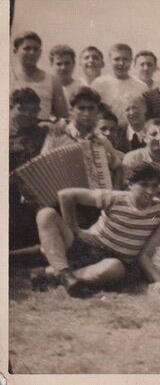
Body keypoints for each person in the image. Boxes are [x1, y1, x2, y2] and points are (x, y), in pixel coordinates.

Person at [34, 163, 160, 297]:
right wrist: (75, 229)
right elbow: (66, 195)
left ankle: (56, 276)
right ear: (130, 184)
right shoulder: (115, 198)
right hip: (85, 247)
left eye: (154, 186)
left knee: (114, 267)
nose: (150, 191)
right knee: (46, 214)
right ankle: (63, 274)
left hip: (112, 260)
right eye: (144, 185)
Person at [40, 87, 123, 188]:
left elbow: (118, 167)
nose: (86, 113)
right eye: (81, 108)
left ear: (97, 110)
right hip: (64, 198)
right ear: (71, 111)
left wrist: (116, 187)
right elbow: (43, 168)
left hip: (94, 198)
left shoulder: (102, 141)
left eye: (91, 108)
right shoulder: (57, 136)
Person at [9, 88, 49, 250]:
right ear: (10, 108)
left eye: (33, 111)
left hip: (42, 192)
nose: (28, 114)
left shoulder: (45, 131)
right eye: (22, 109)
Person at [10, 31, 68, 126]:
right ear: (15, 51)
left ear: (40, 52)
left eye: (36, 49)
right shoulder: (5, 76)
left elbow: (62, 118)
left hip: (40, 135)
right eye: (27, 48)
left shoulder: (52, 80)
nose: (32, 52)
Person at [91, 43, 149, 129]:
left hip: (131, 133)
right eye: (117, 59)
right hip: (106, 131)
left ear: (131, 61)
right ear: (110, 61)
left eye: (125, 59)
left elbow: (145, 114)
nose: (121, 63)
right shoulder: (99, 84)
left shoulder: (141, 86)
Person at [122, 118, 160, 192]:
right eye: (154, 134)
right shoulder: (132, 158)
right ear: (144, 137)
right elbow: (127, 188)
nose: (159, 138)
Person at [49, 45, 85, 112]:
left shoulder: (82, 88)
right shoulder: (47, 88)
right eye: (59, 64)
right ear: (51, 65)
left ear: (74, 64)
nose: (63, 67)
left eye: (67, 63)